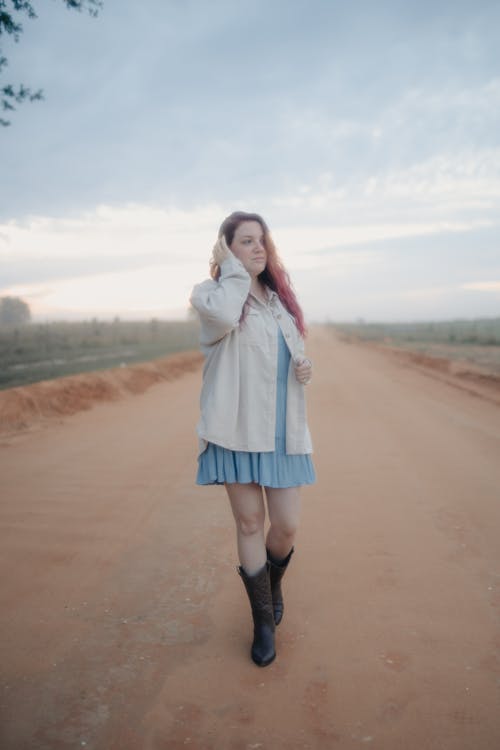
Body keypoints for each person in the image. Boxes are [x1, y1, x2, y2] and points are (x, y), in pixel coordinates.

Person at [190, 211, 316, 667]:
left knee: (285, 527)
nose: (259, 248)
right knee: (248, 525)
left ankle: (271, 585)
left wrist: (304, 367)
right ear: (227, 250)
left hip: (282, 432)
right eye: (246, 241)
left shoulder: (281, 300)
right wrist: (233, 271)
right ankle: (263, 622)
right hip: (236, 431)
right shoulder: (213, 296)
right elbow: (226, 314)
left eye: (262, 240)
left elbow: (295, 355)